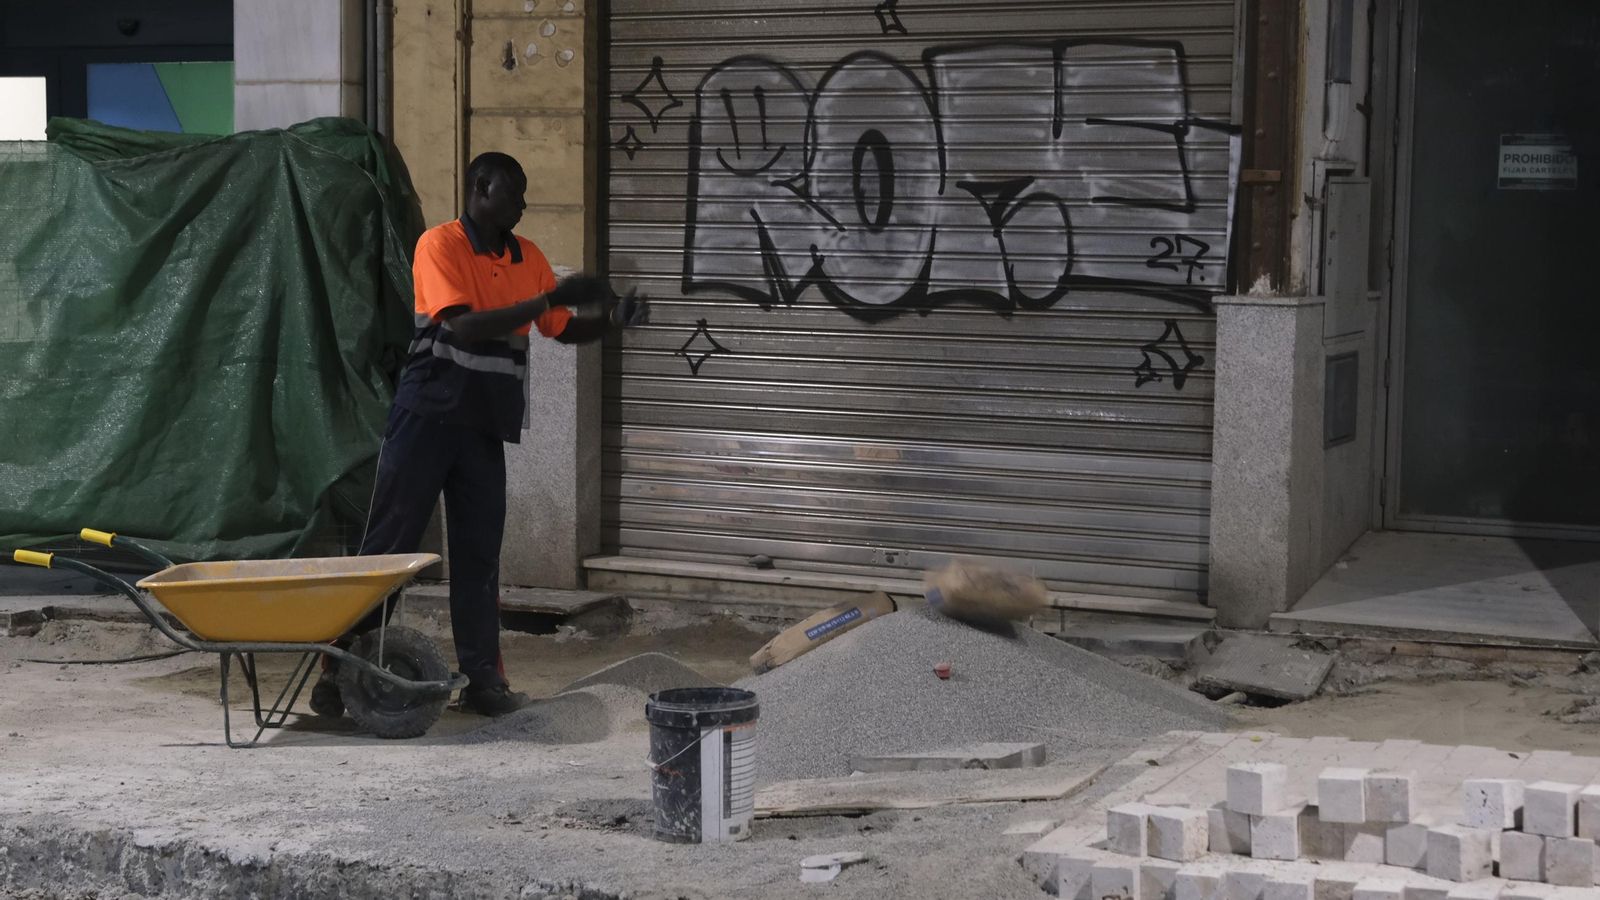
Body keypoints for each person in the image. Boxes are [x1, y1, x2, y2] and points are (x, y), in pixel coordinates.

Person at [311, 151, 647, 718]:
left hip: (484, 427)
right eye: (513, 192)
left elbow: (559, 330)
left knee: (479, 558)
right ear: (481, 187)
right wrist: (549, 299)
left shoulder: (528, 257)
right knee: (387, 549)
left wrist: (611, 321)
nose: (522, 203)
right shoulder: (439, 245)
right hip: (426, 417)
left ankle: (484, 681)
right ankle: (338, 670)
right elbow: (462, 325)